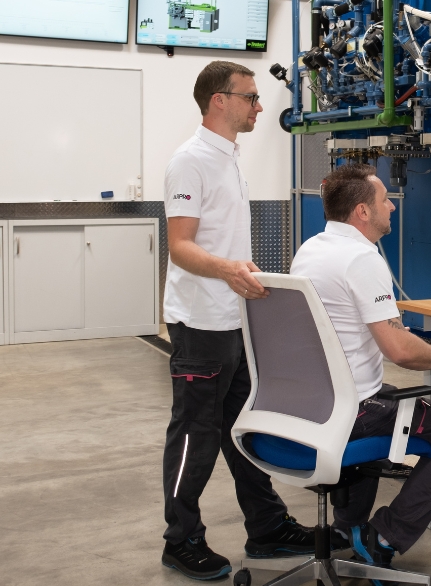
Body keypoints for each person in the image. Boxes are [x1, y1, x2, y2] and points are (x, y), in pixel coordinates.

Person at [290, 163, 431, 566]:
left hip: (308, 405)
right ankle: (383, 537)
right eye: (385, 200)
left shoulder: (311, 249)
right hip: (350, 412)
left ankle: (347, 529)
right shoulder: (361, 259)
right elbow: (401, 352)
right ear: (362, 211)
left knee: (386, 397)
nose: (393, 207)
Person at [160, 61, 314, 581]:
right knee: (195, 435)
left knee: (243, 428)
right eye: (250, 97)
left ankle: (267, 526)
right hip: (200, 324)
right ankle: (180, 540)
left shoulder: (230, 158)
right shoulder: (191, 161)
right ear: (219, 100)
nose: (260, 106)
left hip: (234, 321)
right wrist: (227, 270)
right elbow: (181, 247)